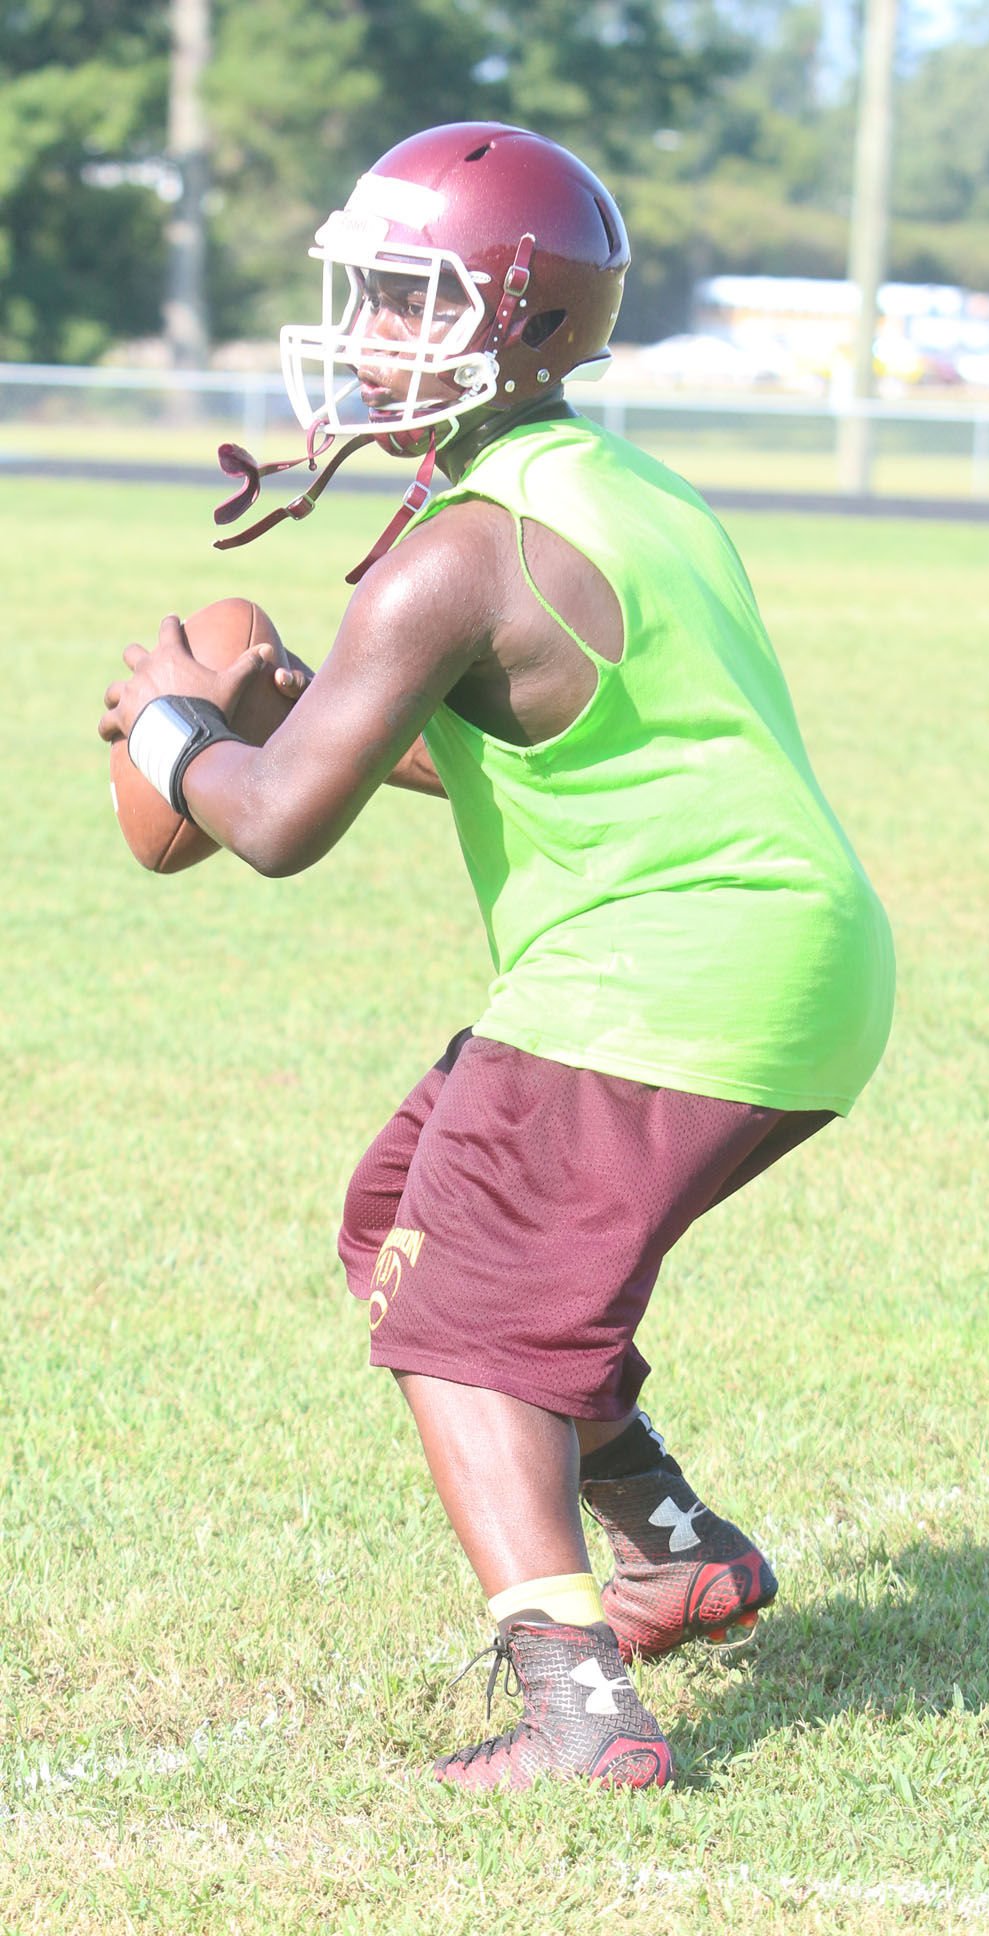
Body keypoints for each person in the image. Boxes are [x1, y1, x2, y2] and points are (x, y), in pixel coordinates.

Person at [99, 122, 895, 1793]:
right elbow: (504, 731)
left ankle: (579, 1711)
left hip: (666, 979)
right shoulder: (615, 486)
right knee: (406, 1214)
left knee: (462, 1323)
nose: (374, 336)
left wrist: (178, 736)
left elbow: (272, 824)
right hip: (785, 962)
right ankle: (674, 1547)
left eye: (414, 300)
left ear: (527, 322)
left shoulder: (452, 548)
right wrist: (324, 691)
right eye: (370, 298)